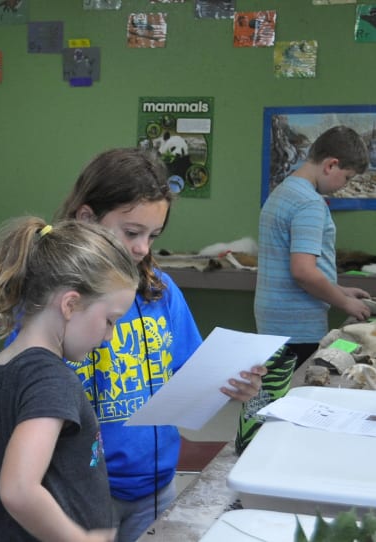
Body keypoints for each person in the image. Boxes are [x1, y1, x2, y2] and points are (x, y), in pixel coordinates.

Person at [56, 148, 266, 542]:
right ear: (86, 219)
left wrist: (234, 381)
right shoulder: (53, 300)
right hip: (77, 491)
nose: (142, 248)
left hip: (154, 484)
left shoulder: (160, 291)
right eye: (131, 232)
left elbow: (192, 371)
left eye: (153, 236)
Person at [0, 217, 140, 542]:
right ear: (71, 304)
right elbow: (18, 489)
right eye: (109, 321)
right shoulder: (51, 379)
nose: (109, 336)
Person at [255, 125, 372, 369]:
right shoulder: (310, 203)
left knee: (275, 389)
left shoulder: (283, 191)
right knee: (297, 395)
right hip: (298, 326)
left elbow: (296, 266)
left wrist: (339, 289)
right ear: (331, 165)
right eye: (347, 177)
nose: (345, 185)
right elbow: (304, 272)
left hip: (275, 320)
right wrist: (345, 303)